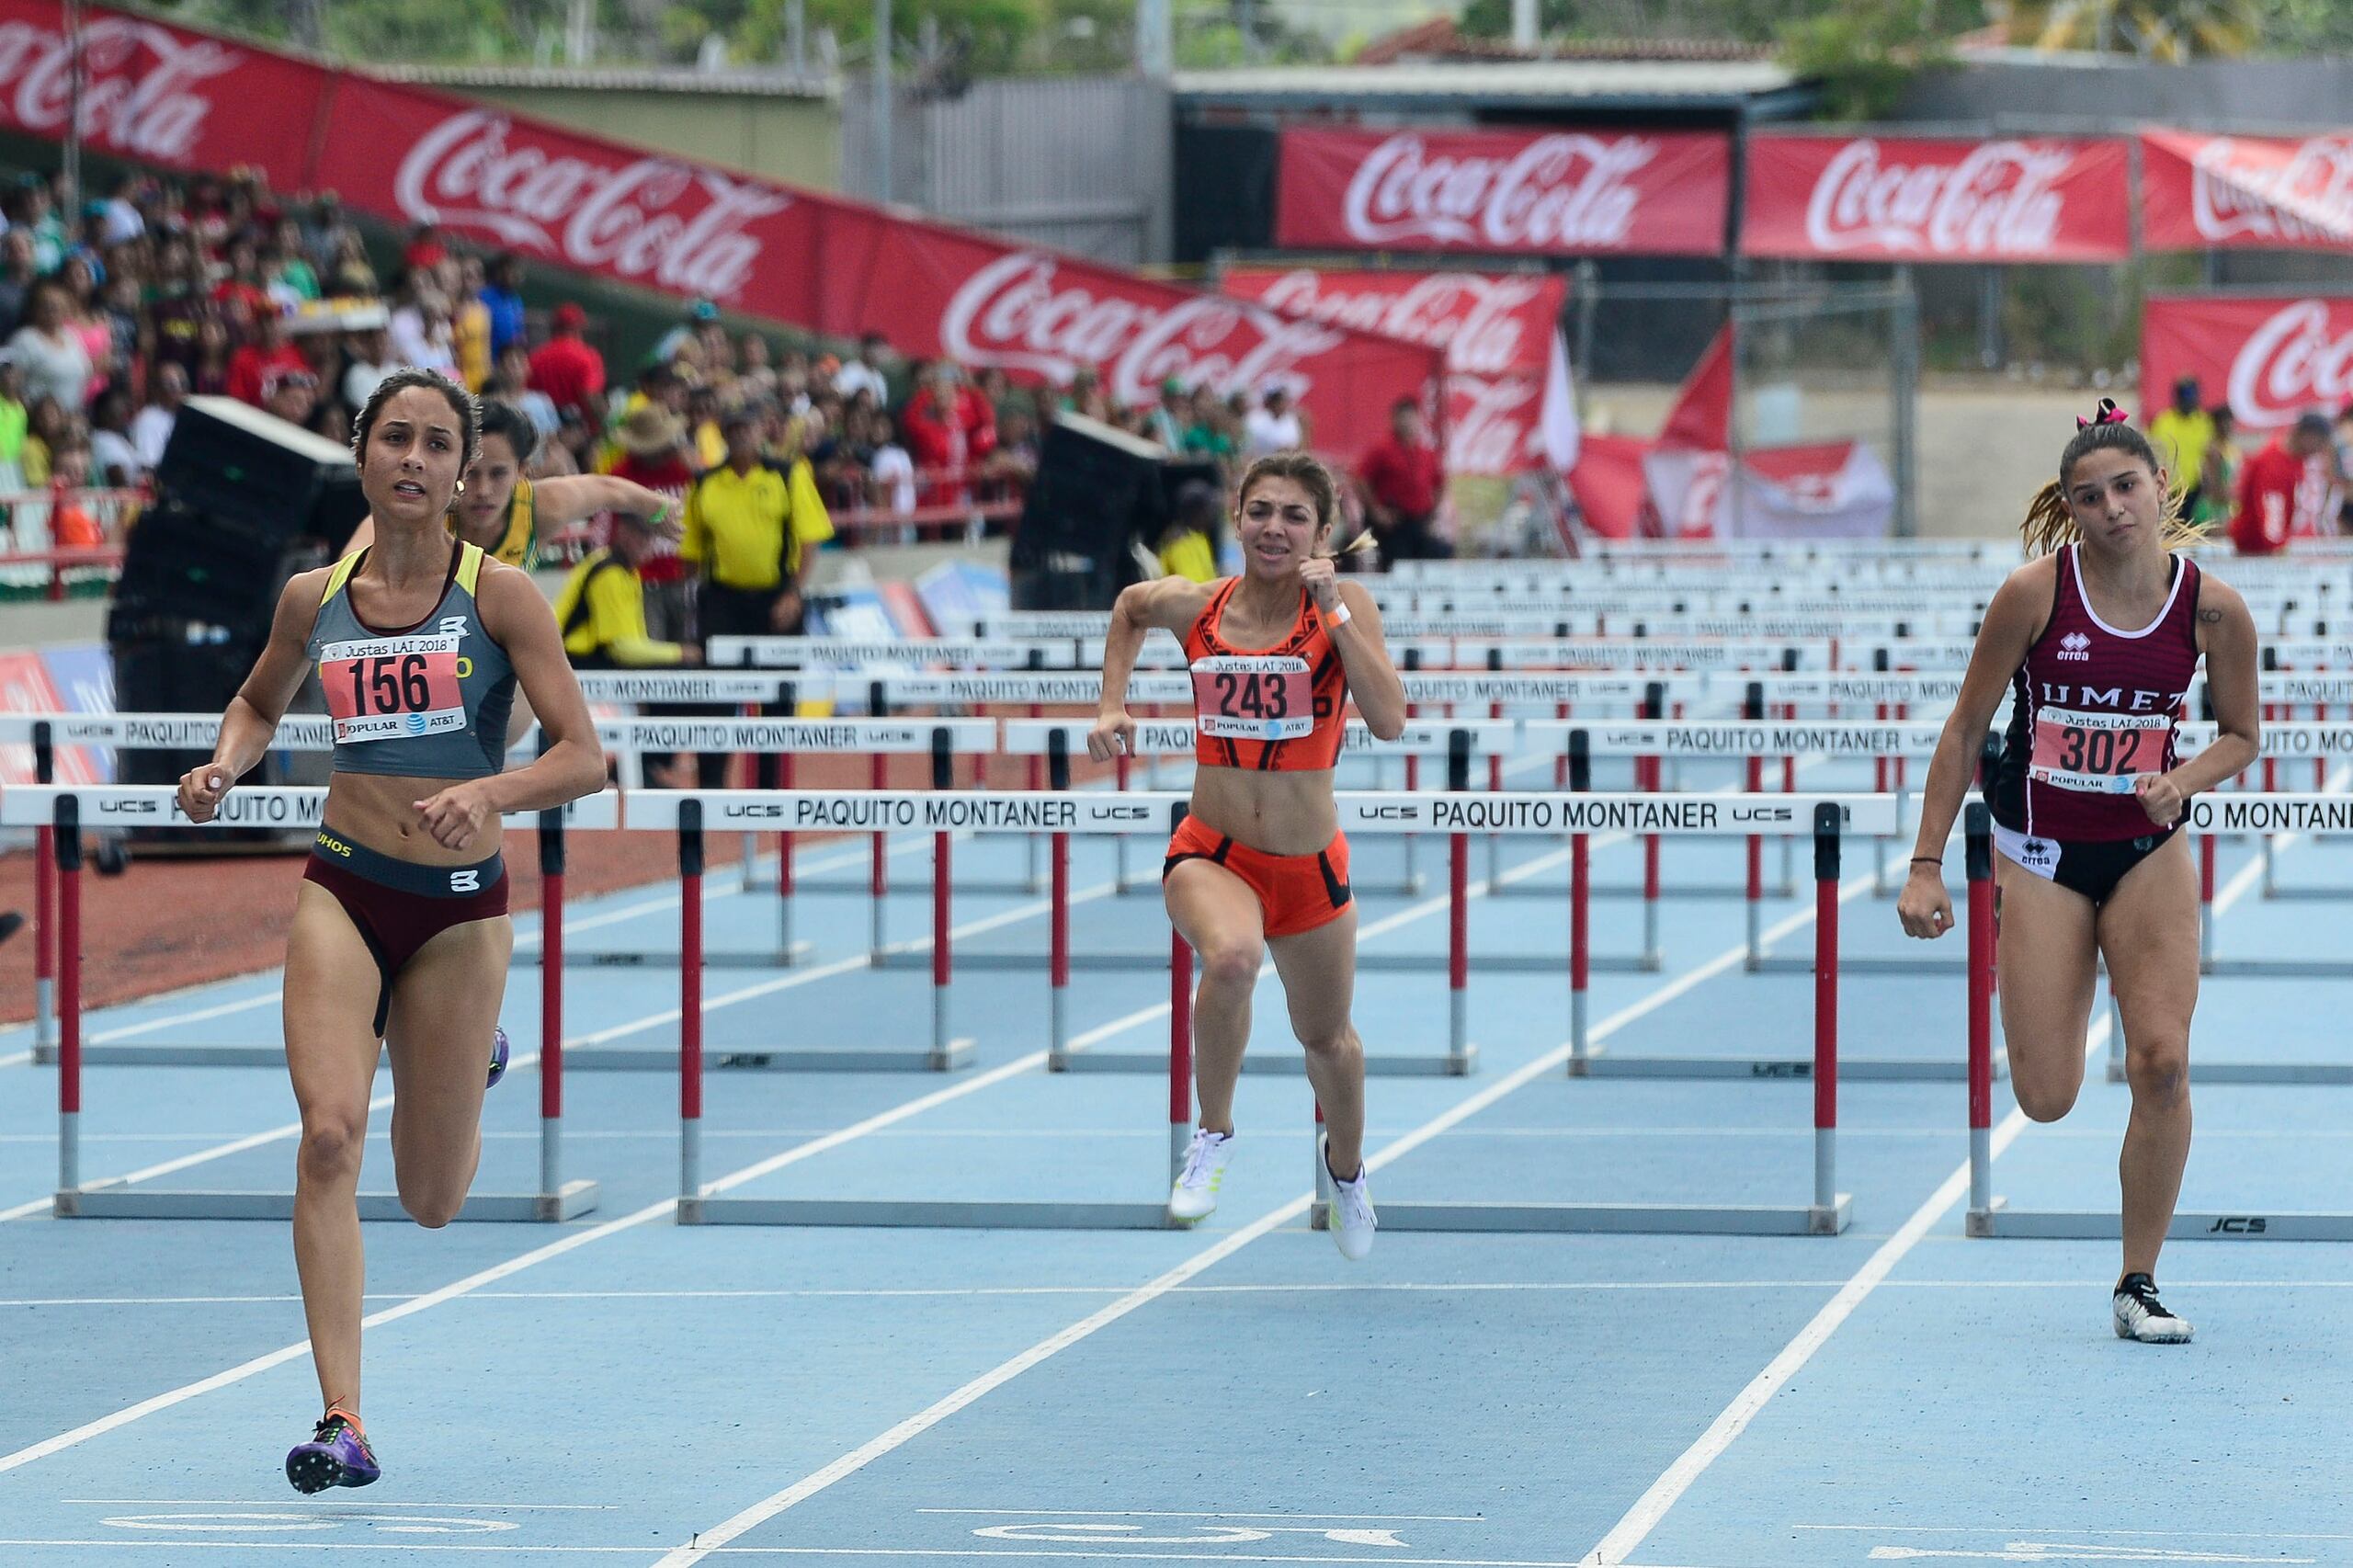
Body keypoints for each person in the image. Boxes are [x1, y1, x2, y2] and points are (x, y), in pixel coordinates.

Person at [174, 369, 606, 1492]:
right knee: (327, 1136)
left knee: (431, 1198)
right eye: (394, 439)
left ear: (464, 475)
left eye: (435, 444)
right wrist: (227, 760)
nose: (413, 460)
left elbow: (583, 754)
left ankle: (468, 1052)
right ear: (361, 455)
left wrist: (494, 796)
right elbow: (261, 702)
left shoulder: (503, 596)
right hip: (345, 887)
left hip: (461, 915)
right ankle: (343, 1416)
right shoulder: (312, 595)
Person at [1897, 399, 2259, 1345]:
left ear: (2160, 488)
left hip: (2147, 854)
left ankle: (2137, 1279)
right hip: (2043, 853)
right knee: (2046, 1096)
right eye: (2086, 495)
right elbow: (1965, 728)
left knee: (2162, 1061)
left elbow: (2242, 737)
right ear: (2068, 507)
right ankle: (2030, 953)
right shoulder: (2032, 593)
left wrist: (2177, 780)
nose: (2109, 508)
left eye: (2124, 486)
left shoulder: (2213, 608)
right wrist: (1926, 864)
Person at [1087, 453, 1404, 1259]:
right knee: (1230, 959)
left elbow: (1390, 718)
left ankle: (1346, 1173)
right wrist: (1113, 704)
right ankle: (1214, 1134)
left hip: (1308, 868)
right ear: (1236, 520)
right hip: (1213, 850)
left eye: (1294, 516)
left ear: (1322, 534)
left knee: (1328, 1043)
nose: (1274, 528)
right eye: (1260, 511)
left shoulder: (1345, 603)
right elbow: (1127, 607)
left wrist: (1333, 609)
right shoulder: (1197, 605)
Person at [341, 400, 680, 569]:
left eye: (499, 474)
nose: (484, 490)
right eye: (471, 473)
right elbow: (344, 571)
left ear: (522, 471)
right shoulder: (421, 510)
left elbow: (608, 490)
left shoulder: (539, 507)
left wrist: (658, 509)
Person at [2230, 411, 2336, 557]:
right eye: (2320, 442)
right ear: (2308, 436)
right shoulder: (2274, 464)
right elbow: (2271, 514)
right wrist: (2278, 548)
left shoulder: (2294, 460)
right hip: (2256, 551)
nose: (2320, 449)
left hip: (2265, 546)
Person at [1357, 396, 1448, 564]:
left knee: (1439, 552)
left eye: (1411, 417)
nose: (1408, 423)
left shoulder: (1426, 453)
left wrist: (1434, 513)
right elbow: (1361, 479)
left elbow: (1440, 483)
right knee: (1398, 559)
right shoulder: (1382, 450)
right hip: (1394, 522)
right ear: (1394, 420)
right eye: (1403, 418)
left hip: (1420, 521)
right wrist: (1376, 510)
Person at [6, 279, 92, 414]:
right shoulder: (25, 340)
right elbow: (11, 385)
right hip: (37, 421)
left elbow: (86, 371)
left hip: (70, 420)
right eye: (46, 305)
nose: (52, 310)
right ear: (35, 309)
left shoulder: (71, 336)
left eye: (57, 306)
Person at [2148, 376, 2214, 517]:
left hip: (2195, 490)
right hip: (2168, 490)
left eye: (2193, 395)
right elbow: (2153, 453)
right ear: (2177, 397)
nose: (2190, 401)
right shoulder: (2163, 422)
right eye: (2186, 396)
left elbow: (2209, 455)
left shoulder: (2204, 422)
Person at [528, 302, 605, 425]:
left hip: (543, 430)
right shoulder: (588, 356)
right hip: (579, 433)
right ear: (579, 328)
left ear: (554, 328)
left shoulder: (536, 357)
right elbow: (591, 396)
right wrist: (606, 423)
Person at [1243, 384, 1305, 457]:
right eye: (1277, 401)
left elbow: (1297, 445)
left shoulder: (1291, 420)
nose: (1281, 404)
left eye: (1282, 400)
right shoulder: (1255, 420)